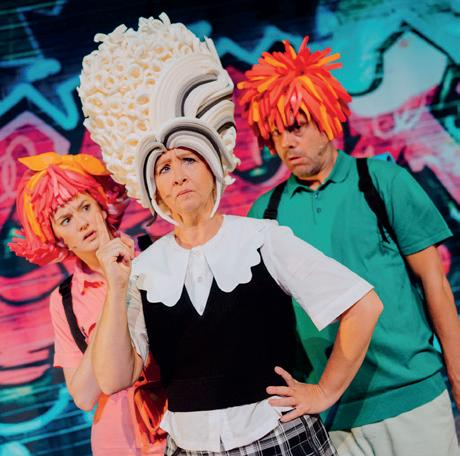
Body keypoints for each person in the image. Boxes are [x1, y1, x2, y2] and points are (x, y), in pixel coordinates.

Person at [78, 14, 383, 456]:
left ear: (213, 166)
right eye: (164, 167)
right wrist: (116, 285)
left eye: (188, 159)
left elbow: (363, 305)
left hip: (280, 437)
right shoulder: (144, 270)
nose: (178, 175)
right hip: (190, 447)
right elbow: (113, 378)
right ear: (154, 189)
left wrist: (324, 391)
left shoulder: (261, 239)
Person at [239, 37, 460, 456]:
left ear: (326, 118)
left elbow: (435, 282)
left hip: (412, 397)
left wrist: (458, 374)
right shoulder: (264, 214)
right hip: (331, 413)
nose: (286, 143)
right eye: (276, 133)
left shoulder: (381, 182)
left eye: (296, 126)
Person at [10, 152, 166, 456]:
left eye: (85, 207)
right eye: (66, 220)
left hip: (183, 425)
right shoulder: (65, 300)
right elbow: (83, 396)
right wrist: (112, 297)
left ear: (101, 205)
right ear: (56, 235)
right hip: (120, 444)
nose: (82, 223)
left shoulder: (155, 254)